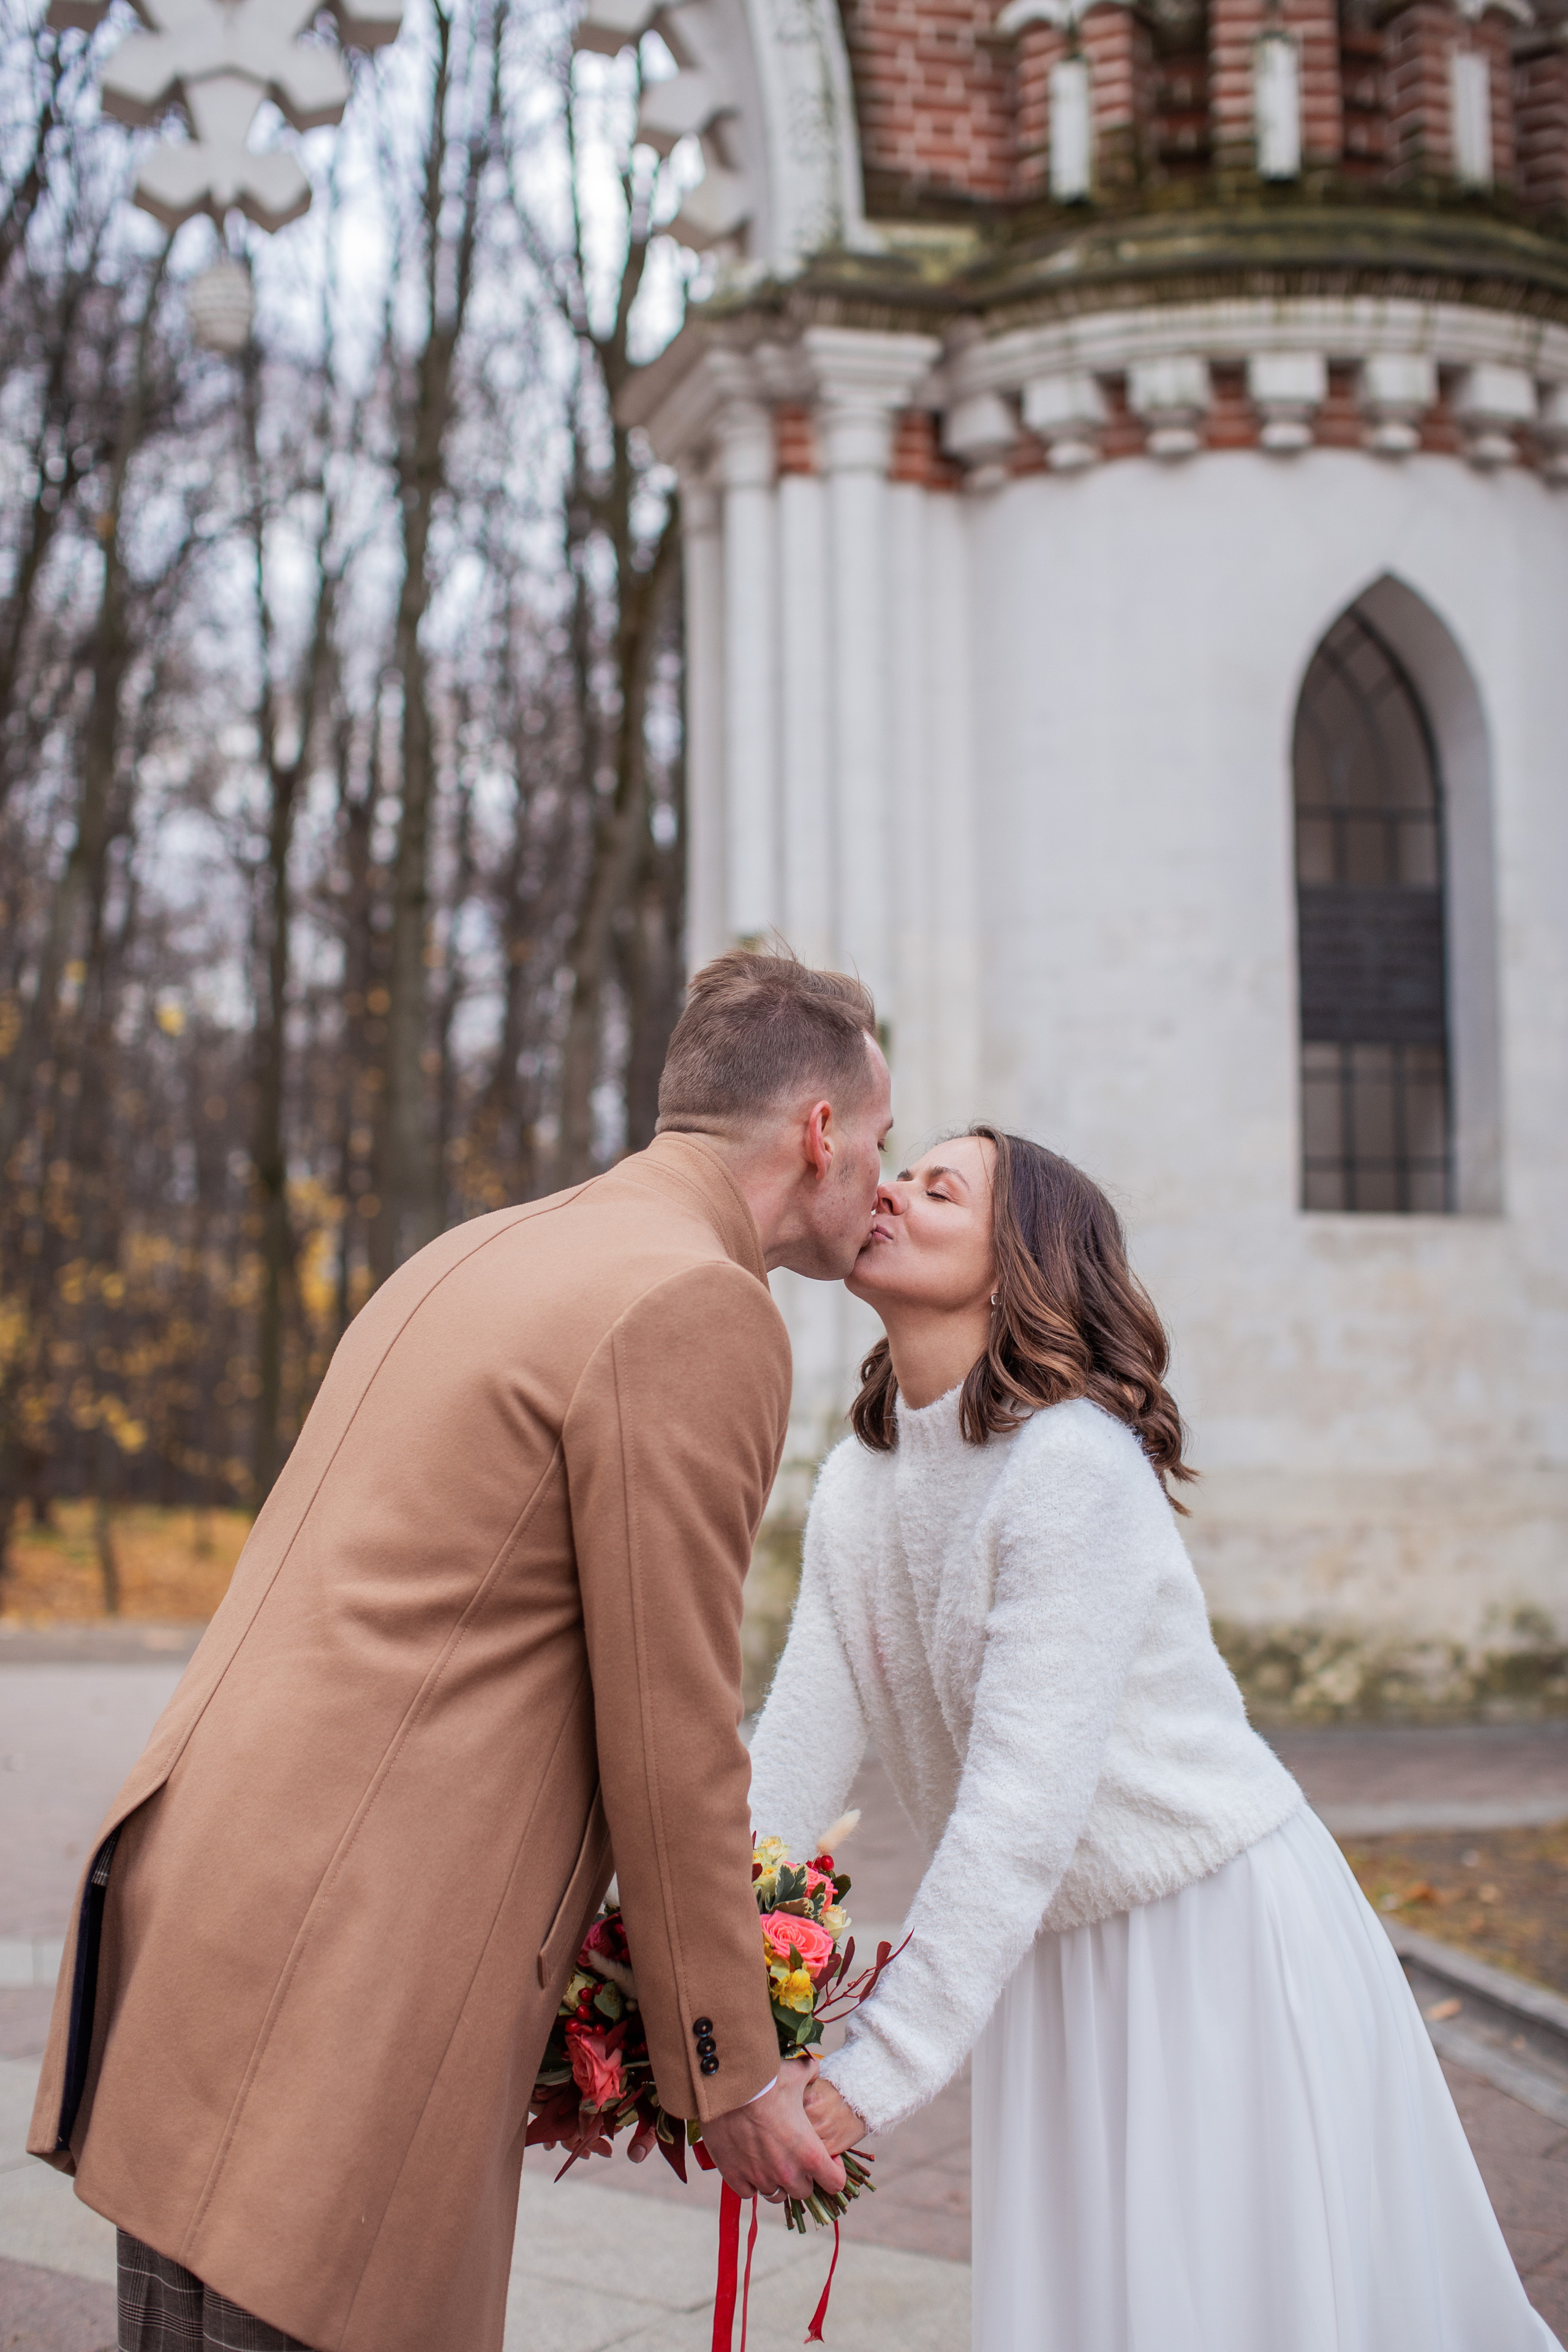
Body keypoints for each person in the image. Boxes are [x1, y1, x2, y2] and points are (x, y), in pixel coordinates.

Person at [28, 948, 891, 2352]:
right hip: (347, 1980)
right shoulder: (696, 1306)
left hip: (206, 1915)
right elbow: (670, 1733)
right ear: (818, 1132)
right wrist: (726, 2074)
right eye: (880, 1139)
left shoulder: (484, 1245)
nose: (880, 1174)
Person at [748, 1125, 1560, 2352]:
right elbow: (796, 1749)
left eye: (937, 1187)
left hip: (1209, 1941)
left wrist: (872, 2070)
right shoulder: (860, 1481)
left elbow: (1018, 1814)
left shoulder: (1068, 1465)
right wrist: (676, 1955)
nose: (890, 1190)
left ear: (1018, 1260)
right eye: (896, 1169)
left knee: (1243, 2308)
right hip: (1053, 1964)